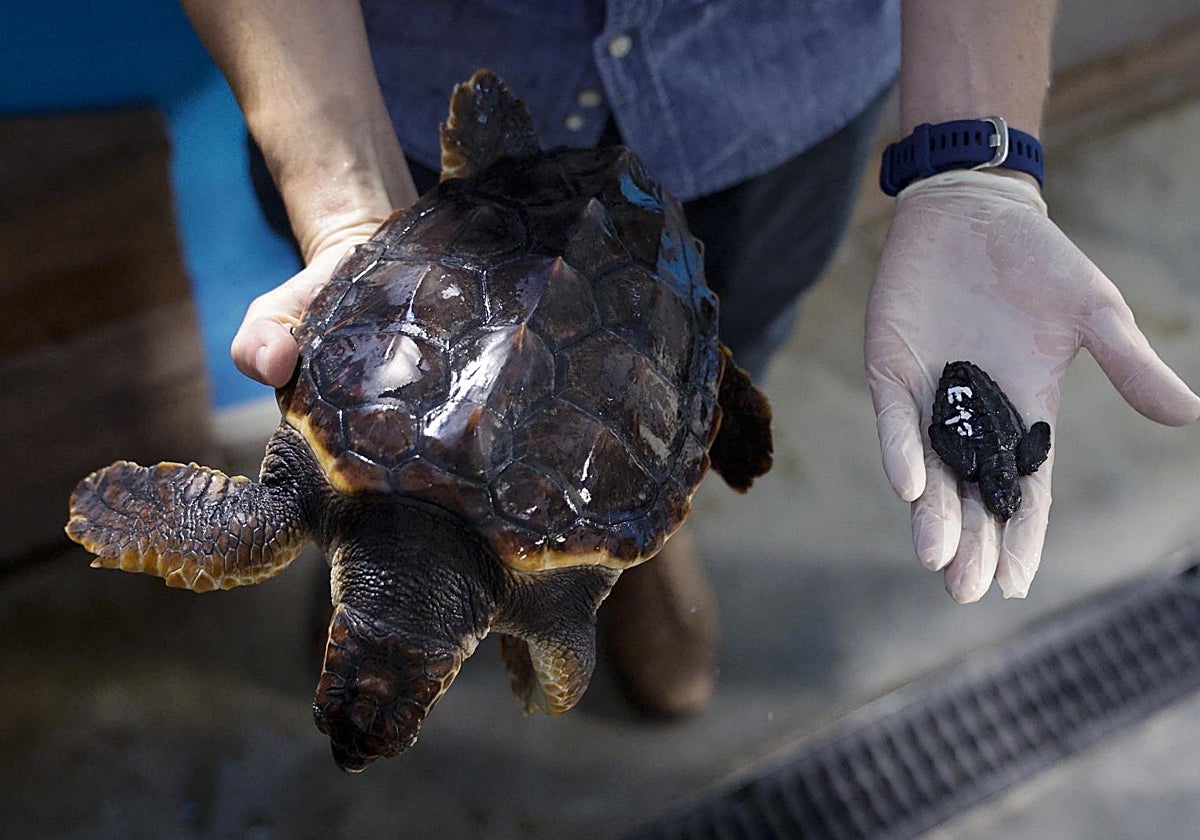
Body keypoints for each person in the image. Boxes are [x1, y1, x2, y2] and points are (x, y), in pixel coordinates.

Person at [179, 0, 1200, 717]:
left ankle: (623, 554)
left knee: (727, 330)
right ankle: (488, 563)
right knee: (573, 593)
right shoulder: (544, 612)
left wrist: (972, 169)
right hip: (387, 92)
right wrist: (345, 212)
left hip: (763, 91)